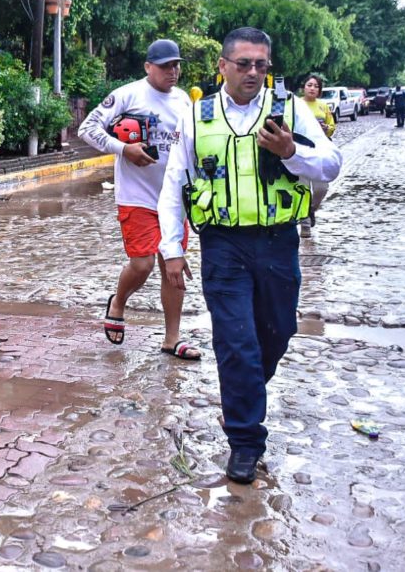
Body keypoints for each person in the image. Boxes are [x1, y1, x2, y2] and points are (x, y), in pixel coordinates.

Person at [157, 28, 342, 483]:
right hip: (223, 244)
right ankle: (244, 440)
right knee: (235, 341)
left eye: (261, 64)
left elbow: (332, 163)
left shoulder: (290, 110)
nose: (254, 73)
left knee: (277, 333)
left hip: (279, 241)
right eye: (244, 64)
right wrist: (172, 249)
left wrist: (292, 151)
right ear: (222, 66)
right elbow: (173, 184)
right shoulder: (197, 117)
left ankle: (243, 397)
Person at [78, 39, 200, 360]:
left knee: (172, 267)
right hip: (136, 196)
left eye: (176, 65)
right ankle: (118, 301)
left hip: (173, 199)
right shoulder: (128, 94)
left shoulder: (184, 101)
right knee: (142, 263)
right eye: (164, 66)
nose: (172, 71)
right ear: (148, 67)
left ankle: (172, 338)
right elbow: (87, 128)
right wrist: (124, 149)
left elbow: (190, 147)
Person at [298, 74, 335, 238]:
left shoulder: (323, 106)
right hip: (301, 151)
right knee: (303, 188)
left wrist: (327, 128)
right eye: (309, 85)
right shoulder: (296, 105)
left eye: (316, 86)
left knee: (321, 188)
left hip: (320, 151)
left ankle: (311, 209)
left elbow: (332, 125)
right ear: (303, 87)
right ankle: (305, 225)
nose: (312, 88)